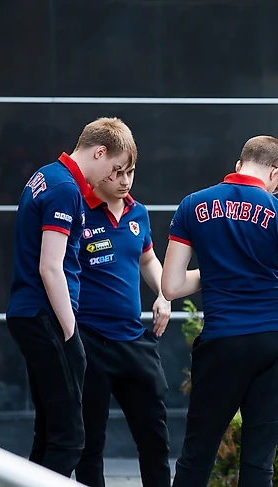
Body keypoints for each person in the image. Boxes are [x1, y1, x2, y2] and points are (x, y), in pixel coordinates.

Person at [161, 135, 278, 487]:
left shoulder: (192, 205)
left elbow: (171, 286)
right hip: (275, 342)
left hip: (223, 340)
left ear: (239, 164)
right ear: (275, 173)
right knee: (259, 463)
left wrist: (220, 270)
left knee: (197, 455)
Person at [5, 117, 137, 477]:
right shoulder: (66, 189)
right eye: (115, 168)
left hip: (30, 313)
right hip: (44, 315)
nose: (112, 178)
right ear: (99, 152)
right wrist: (70, 331)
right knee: (69, 439)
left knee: (50, 433)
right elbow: (51, 267)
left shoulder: (46, 175)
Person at [74, 164, 172, 487]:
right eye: (116, 173)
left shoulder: (138, 212)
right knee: (90, 445)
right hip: (90, 340)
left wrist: (164, 294)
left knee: (155, 439)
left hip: (133, 340)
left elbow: (147, 259)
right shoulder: (78, 209)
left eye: (130, 172)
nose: (125, 180)